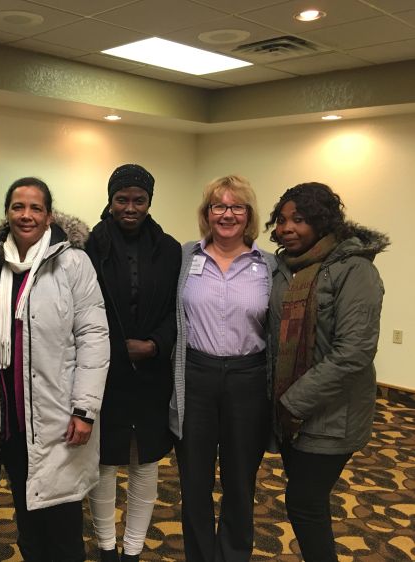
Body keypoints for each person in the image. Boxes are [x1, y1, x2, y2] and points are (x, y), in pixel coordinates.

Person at [0, 177, 110, 562]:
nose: (27, 215)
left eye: (36, 208)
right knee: (27, 516)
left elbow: (94, 337)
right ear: (7, 213)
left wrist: (85, 409)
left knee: (63, 524)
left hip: (60, 418)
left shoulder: (72, 262)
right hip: (11, 419)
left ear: (49, 215)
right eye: (18, 206)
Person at [265, 182, 387, 562]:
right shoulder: (284, 267)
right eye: (282, 220)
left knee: (305, 504)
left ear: (323, 222)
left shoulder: (355, 270)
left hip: (332, 415)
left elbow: (354, 353)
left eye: (299, 220)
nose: (287, 228)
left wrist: (293, 401)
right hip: (289, 414)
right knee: (305, 501)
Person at [170, 175, 275, 562]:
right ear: (206, 213)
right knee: (194, 481)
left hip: (248, 378)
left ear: (248, 216)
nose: (227, 214)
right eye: (219, 206)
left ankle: (233, 555)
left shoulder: (269, 265)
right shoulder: (185, 257)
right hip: (195, 376)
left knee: (240, 481)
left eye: (237, 207)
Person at [85, 164, 181, 562]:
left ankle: (133, 550)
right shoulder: (89, 247)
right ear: (110, 201)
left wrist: (156, 345)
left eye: (138, 200)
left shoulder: (171, 248)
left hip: (151, 373)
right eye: (122, 199)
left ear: (149, 202)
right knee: (104, 462)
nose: (130, 207)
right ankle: (107, 547)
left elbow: (179, 310)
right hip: (104, 372)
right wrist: (113, 347)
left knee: (145, 463)